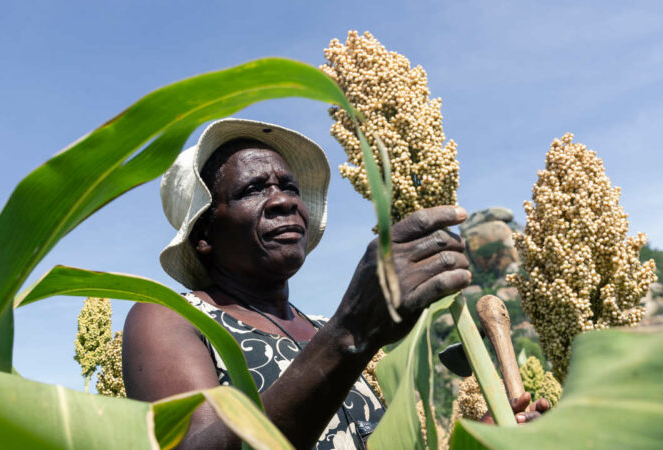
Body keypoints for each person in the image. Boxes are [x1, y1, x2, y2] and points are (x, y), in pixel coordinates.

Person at [123, 118, 547, 449]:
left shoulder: (323, 327)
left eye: (288, 186)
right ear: (203, 234)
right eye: (253, 188)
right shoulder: (170, 318)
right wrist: (353, 332)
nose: (285, 199)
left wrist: (483, 441)